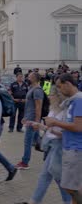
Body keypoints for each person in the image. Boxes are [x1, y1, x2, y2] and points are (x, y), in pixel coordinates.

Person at [20, 86, 72, 204]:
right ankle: (35, 201)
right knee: (47, 176)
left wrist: (50, 128)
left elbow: (65, 133)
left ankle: (67, 201)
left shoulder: (66, 110)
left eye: (51, 95)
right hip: (51, 145)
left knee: (57, 177)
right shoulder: (53, 109)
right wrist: (37, 125)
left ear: (58, 96)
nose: (48, 97)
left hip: (59, 146)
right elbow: (49, 127)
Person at [45, 73, 82, 202]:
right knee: (72, 186)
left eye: (60, 87)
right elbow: (70, 129)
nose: (59, 90)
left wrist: (55, 122)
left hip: (76, 150)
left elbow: (78, 127)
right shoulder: (71, 102)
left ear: (68, 84)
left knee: (70, 187)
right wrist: (53, 130)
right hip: (70, 148)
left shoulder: (79, 101)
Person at [15, 72, 44, 170]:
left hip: (33, 120)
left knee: (27, 141)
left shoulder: (37, 90)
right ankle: (49, 152)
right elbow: (29, 105)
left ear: (34, 79)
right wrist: (25, 117)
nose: (27, 78)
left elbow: (38, 106)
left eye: (29, 77)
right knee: (38, 141)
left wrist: (37, 122)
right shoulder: (31, 88)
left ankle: (25, 162)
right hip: (29, 118)